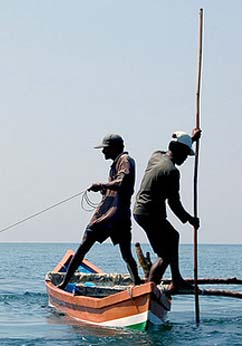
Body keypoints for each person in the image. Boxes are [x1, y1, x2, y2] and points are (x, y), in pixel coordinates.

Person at [58, 134, 142, 289]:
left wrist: (101, 184)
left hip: (109, 215)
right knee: (126, 253)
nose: (103, 152)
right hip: (118, 215)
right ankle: (137, 281)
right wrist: (104, 189)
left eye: (105, 149)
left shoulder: (124, 160)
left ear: (114, 148)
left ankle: (64, 283)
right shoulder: (118, 163)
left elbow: (122, 182)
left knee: (84, 246)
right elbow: (118, 187)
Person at [133, 129, 200, 292]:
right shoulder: (172, 171)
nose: (185, 159)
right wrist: (190, 219)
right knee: (165, 255)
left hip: (140, 210)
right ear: (180, 151)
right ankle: (149, 290)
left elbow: (175, 146)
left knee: (173, 237)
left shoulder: (156, 156)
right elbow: (174, 203)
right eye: (185, 154)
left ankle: (176, 280)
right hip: (150, 214)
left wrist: (192, 139)